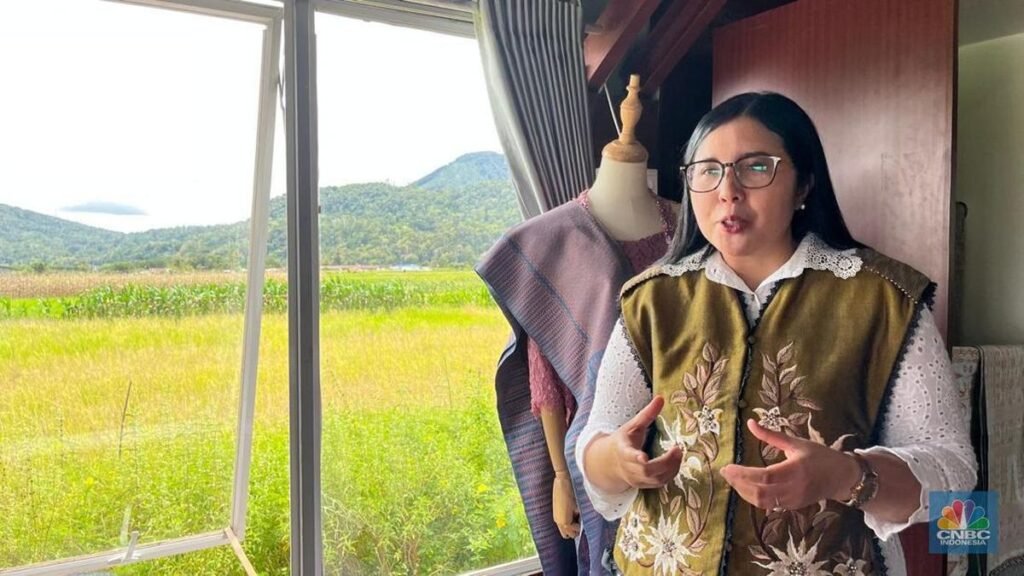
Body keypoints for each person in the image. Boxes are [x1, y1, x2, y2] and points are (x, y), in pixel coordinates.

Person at [576, 91, 978, 575]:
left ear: (803, 183)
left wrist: (846, 475)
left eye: (756, 167)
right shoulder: (650, 300)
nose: (728, 191)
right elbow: (597, 438)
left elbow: (956, 479)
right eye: (707, 170)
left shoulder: (887, 301)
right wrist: (616, 462)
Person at [477, 75, 678, 574]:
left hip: (684, 446)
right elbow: (544, 374)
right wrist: (562, 477)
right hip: (594, 447)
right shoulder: (552, 239)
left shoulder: (689, 229)